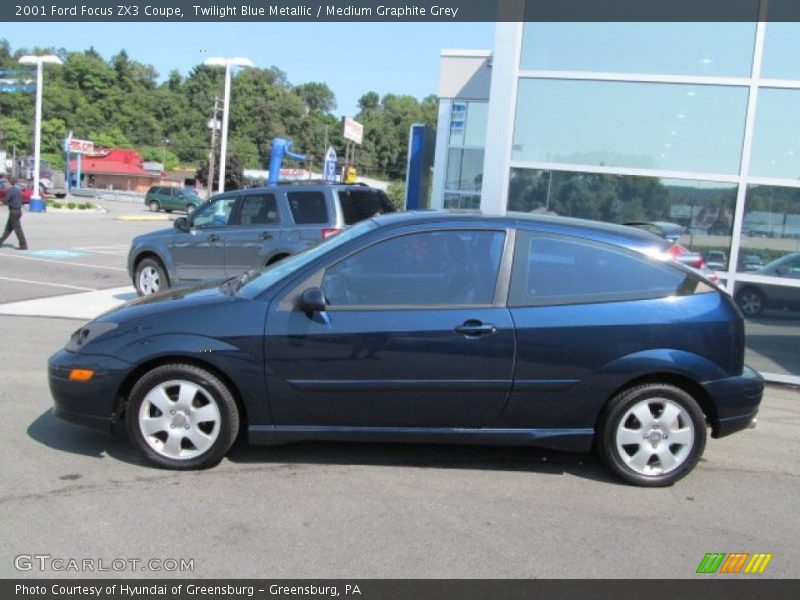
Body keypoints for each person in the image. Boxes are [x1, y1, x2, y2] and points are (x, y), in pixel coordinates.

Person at [0, 177, 29, 250]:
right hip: (18, 211)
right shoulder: (17, 190)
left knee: (17, 229)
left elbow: (5, 201)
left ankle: (23, 245)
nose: (5, 184)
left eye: (6, 182)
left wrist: (3, 202)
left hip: (14, 212)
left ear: (9, 183)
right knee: (8, 229)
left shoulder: (10, 191)